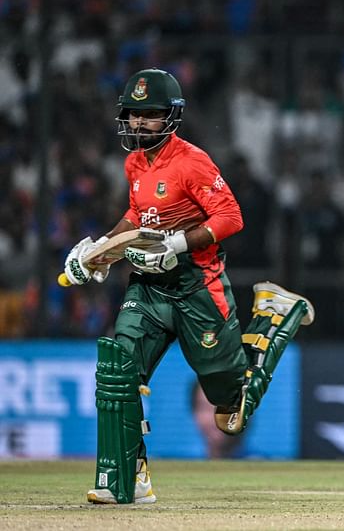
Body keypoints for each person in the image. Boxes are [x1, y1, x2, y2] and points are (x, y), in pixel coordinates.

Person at [62, 68, 315, 504]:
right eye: (133, 114)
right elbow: (138, 215)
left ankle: (277, 316)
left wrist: (175, 244)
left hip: (198, 287)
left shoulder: (192, 161)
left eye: (151, 115)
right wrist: (100, 250)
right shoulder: (134, 162)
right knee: (120, 367)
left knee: (228, 408)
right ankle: (128, 478)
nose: (140, 123)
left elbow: (231, 216)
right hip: (148, 287)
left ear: (172, 117)